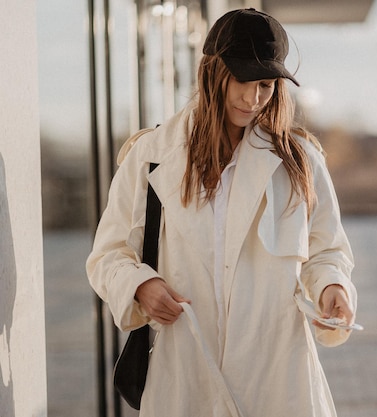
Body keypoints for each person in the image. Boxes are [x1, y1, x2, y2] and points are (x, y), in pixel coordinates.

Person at [86, 8, 357, 417]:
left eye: (266, 84)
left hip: (278, 380)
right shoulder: (150, 157)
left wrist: (331, 287)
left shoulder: (300, 161)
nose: (254, 98)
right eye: (244, 80)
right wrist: (140, 285)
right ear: (212, 73)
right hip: (184, 376)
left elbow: (327, 251)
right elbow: (107, 256)